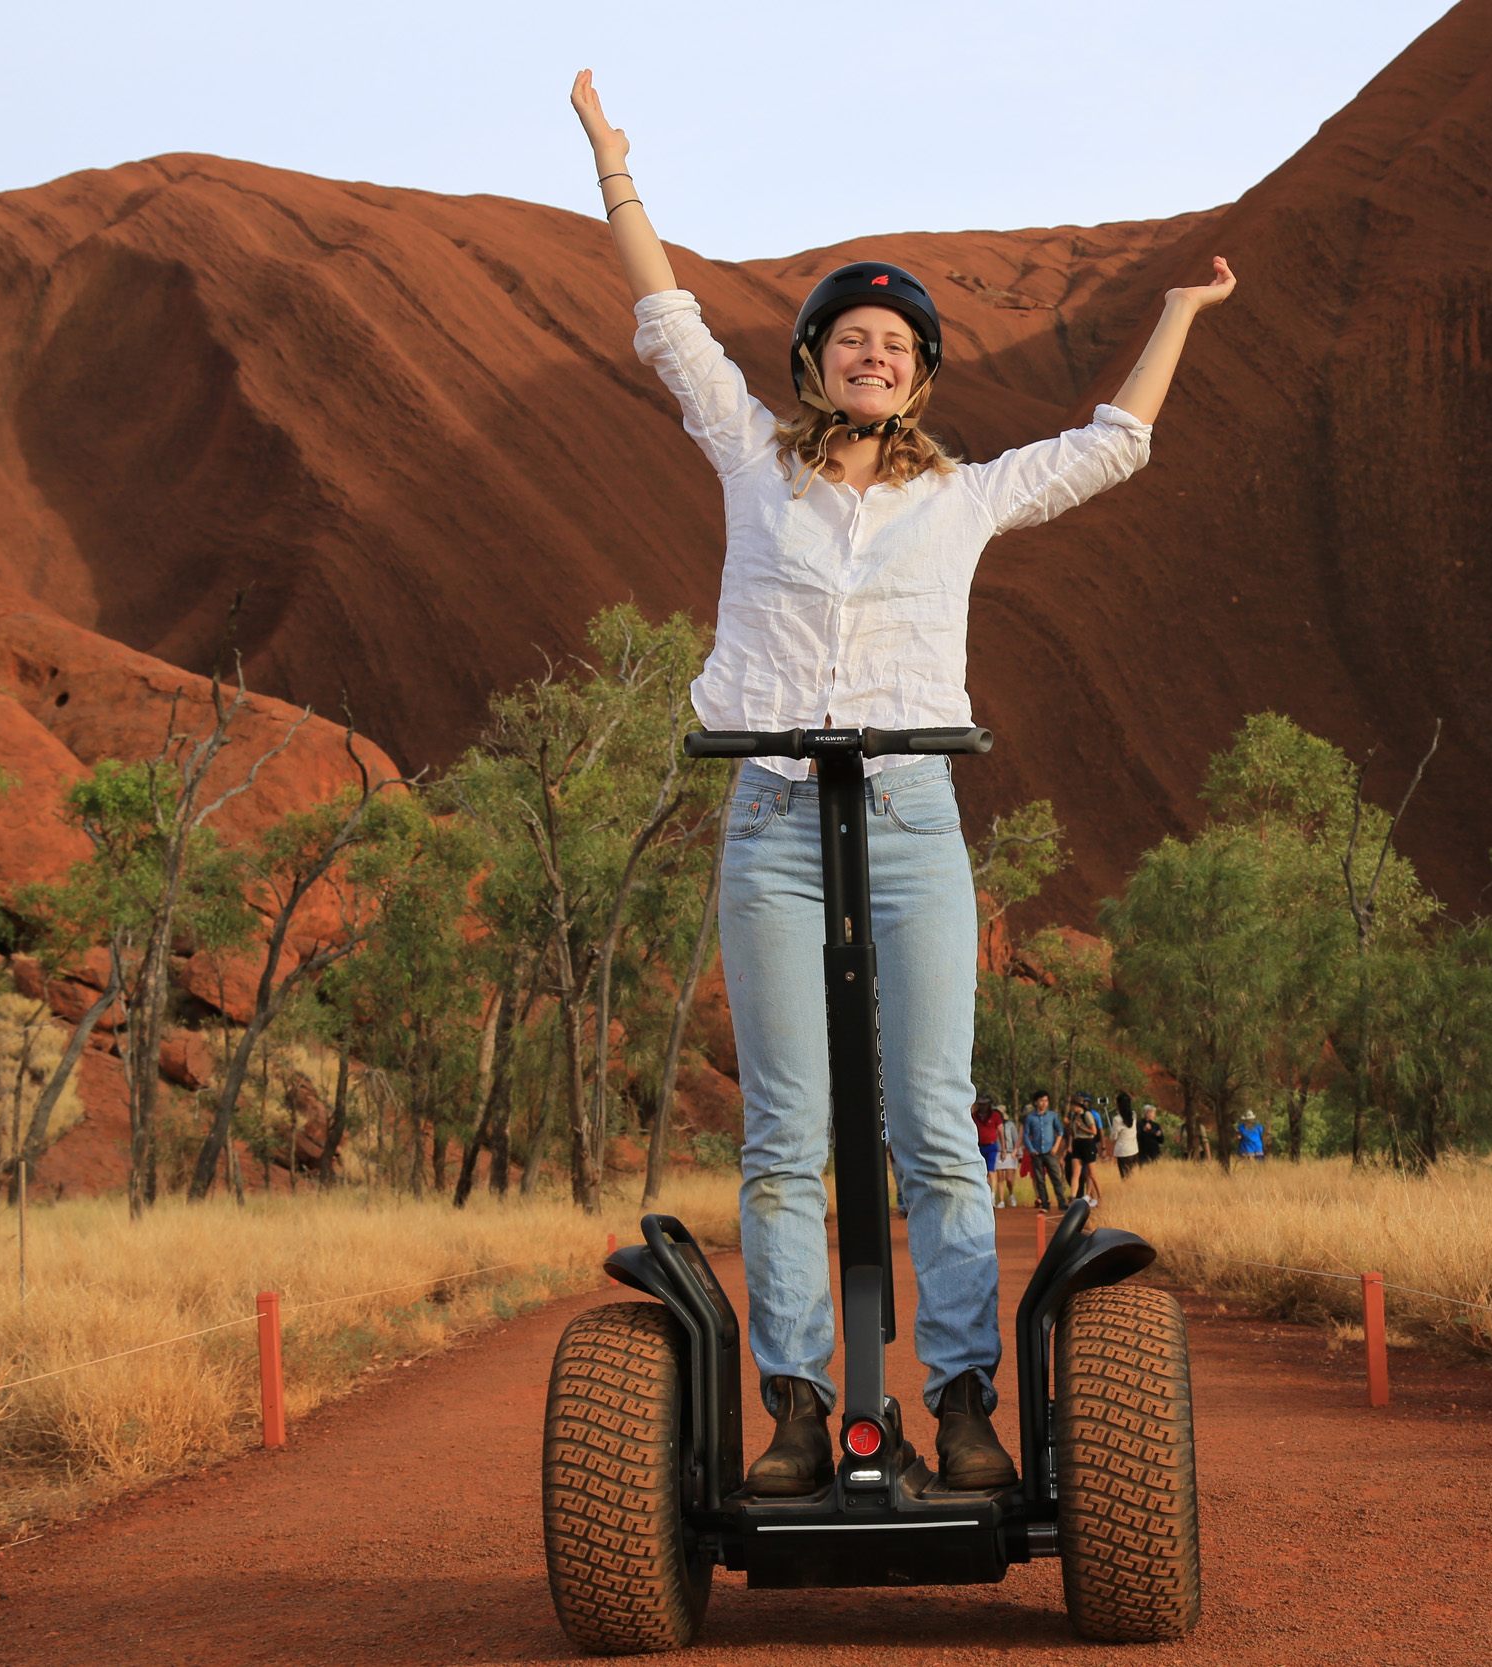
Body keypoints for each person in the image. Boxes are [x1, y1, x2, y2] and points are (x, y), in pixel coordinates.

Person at [570, 70, 1236, 1501]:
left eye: (896, 344)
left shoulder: (964, 496)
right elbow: (669, 326)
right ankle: (802, 1405)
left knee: (938, 1123)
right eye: (850, 339)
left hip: (915, 822)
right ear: (813, 367)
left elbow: (1113, 448)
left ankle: (965, 1399)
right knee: (785, 1136)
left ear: (921, 378)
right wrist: (616, 168)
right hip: (774, 819)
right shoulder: (755, 464)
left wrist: (1178, 314)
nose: (873, 355)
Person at [1020, 1090, 1068, 1213]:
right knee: (1040, 1180)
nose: (1043, 1103)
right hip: (1036, 1153)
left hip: (1050, 1152)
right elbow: (1026, 1135)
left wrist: (1056, 1147)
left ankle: (1062, 1203)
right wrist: (1031, 1149)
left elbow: (1060, 1132)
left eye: (1046, 1101)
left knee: (1056, 1178)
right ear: (1036, 1102)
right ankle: (1045, 1204)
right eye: (1041, 1101)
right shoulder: (1030, 1118)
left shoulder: (1052, 1116)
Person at [1066, 1093, 1104, 1207]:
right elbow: (1072, 1133)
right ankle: (1073, 1197)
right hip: (1077, 1143)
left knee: (1092, 1174)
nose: (1071, 1107)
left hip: (1088, 1143)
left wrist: (1081, 1127)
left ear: (1077, 1105)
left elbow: (1094, 1132)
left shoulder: (1086, 1115)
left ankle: (1100, 1196)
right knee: (1076, 1173)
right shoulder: (1073, 1116)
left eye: (1072, 1105)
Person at [971, 1098, 1006, 1206]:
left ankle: (992, 1196)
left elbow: (1001, 1133)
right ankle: (981, 1196)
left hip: (991, 1146)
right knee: (981, 1172)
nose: (983, 1107)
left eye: (985, 1104)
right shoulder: (974, 1116)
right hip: (978, 1147)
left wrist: (1003, 1149)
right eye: (981, 1104)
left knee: (991, 1171)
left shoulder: (995, 1116)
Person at [1109, 1094, 1140, 1178]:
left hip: (1123, 1151)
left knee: (1125, 1176)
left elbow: (1114, 1137)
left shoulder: (1117, 1119)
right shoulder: (1134, 1115)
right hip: (1134, 1149)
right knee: (1133, 1175)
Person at [992, 1120, 1020, 1207]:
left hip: (1010, 1153)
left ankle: (1011, 1195)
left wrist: (1018, 1152)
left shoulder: (1010, 1125)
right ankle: (1001, 1200)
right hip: (998, 1153)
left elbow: (1016, 1139)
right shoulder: (994, 1124)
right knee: (1000, 1178)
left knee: (1009, 1178)